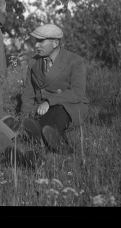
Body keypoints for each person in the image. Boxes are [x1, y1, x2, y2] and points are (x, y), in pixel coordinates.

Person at [20, 24, 90, 153]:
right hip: (41, 108)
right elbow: (28, 93)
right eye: (36, 41)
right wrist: (24, 116)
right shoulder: (33, 62)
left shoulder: (75, 61)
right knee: (45, 123)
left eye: (41, 41)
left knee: (57, 112)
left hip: (70, 104)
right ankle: (54, 142)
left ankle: (42, 137)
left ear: (55, 43)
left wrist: (49, 101)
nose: (36, 45)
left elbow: (77, 93)